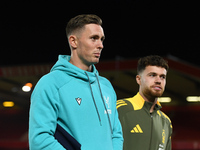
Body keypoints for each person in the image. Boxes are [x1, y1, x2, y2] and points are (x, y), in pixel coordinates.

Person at [29, 14, 123, 150]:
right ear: (73, 41)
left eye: (102, 39)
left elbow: (116, 134)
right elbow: (40, 141)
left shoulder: (106, 86)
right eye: (94, 38)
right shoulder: (50, 84)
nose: (101, 45)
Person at [117, 55, 172, 150]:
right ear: (138, 79)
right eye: (152, 75)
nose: (158, 81)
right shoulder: (120, 109)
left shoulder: (166, 122)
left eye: (162, 77)